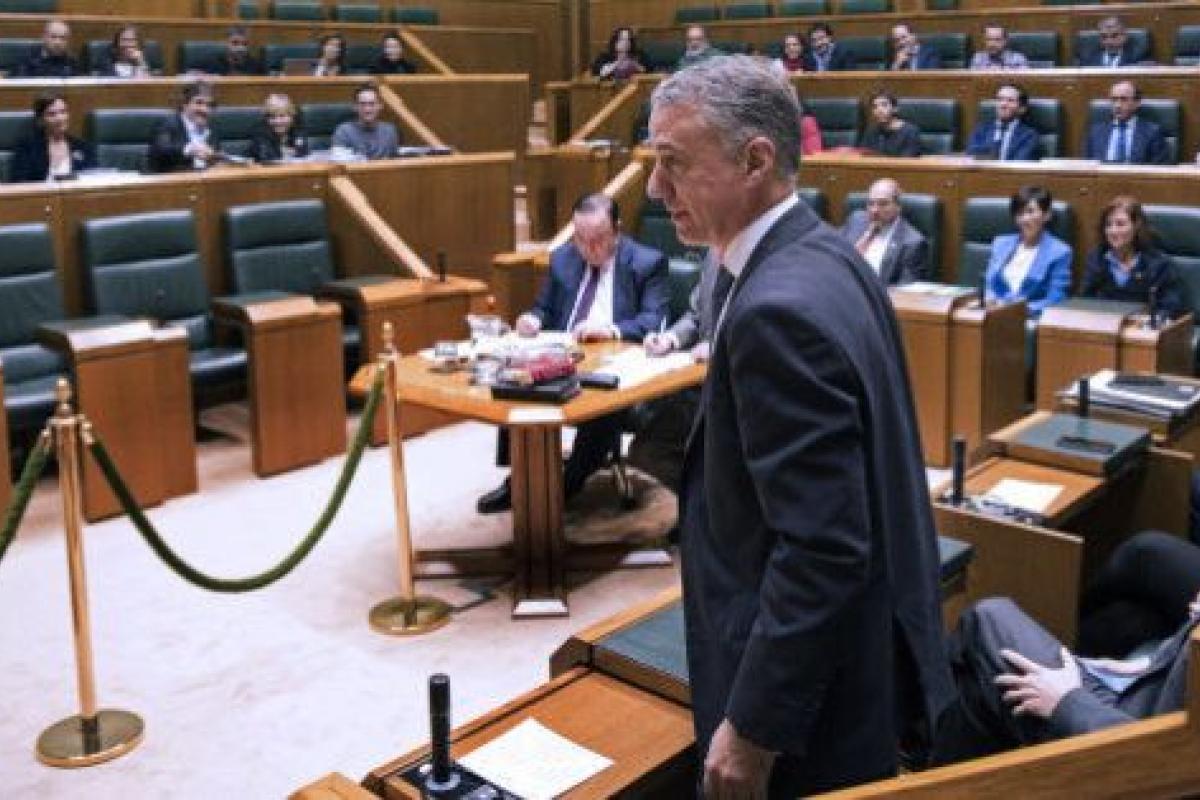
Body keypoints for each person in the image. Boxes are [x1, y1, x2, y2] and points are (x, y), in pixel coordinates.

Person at [646, 55, 953, 798]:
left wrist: (754, 727)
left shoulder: (776, 311)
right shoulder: (829, 255)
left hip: (811, 713)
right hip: (859, 659)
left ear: (755, 161)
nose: (655, 188)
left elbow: (823, 549)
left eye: (673, 163)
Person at [933, 531, 1200, 766]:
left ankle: (930, 772)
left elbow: (1159, 762)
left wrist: (1066, 702)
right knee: (1130, 616)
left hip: (1124, 735)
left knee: (988, 620)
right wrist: (1149, 664)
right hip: (1147, 697)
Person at [475, 194, 668, 514]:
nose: (589, 249)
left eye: (598, 240)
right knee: (515, 379)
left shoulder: (647, 263)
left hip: (616, 363)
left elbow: (653, 320)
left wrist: (610, 330)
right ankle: (519, 480)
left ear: (617, 230)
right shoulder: (563, 258)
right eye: (581, 239)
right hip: (563, 358)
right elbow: (544, 309)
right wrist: (532, 320)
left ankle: (567, 484)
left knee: (603, 400)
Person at [1079, 195, 1185, 319]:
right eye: (1108, 225)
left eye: (1120, 224)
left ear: (1136, 227)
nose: (1113, 231)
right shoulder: (1097, 259)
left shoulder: (1159, 264)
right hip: (1105, 325)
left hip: (1142, 328)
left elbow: (1169, 308)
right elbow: (1085, 302)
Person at [983, 186, 1072, 316]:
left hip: (1029, 317)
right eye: (1019, 213)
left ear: (1047, 215)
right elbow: (990, 283)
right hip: (993, 314)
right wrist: (989, 300)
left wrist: (1017, 311)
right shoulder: (1000, 243)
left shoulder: (1060, 252)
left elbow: (1056, 298)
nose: (1024, 219)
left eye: (1030, 212)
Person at [840, 178, 929, 285]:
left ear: (898, 206)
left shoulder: (912, 243)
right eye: (871, 203)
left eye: (883, 204)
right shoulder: (856, 220)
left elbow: (906, 289)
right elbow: (833, 252)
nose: (874, 210)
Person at [11, 92, 95, 183]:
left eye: (63, 112)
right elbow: (19, 182)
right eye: (52, 114)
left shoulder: (82, 146)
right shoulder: (27, 147)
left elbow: (93, 178)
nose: (60, 118)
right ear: (40, 120)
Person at [1084, 80, 1171, 165]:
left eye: (1123, 99)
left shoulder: (1152, 132)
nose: (1117, 105)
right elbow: (1086, 165)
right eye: (1114, 100)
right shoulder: (1096, 132)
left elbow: (1160, 168)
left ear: (1137, 103)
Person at [148, 82, 222, 174]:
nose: (205, 109)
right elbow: (162, 151)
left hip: (206, 179)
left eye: (209, 105)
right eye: (199, 103)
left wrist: (214, 157)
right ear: (185, 104)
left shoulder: (212, 127)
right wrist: (190, 149)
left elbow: (215, 156)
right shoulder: (166, 124)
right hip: (172, 179)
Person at [965, 83, 1041, 161]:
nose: (1003, 104)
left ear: (1022, 108)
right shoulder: (981, 131)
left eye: (1010, 100)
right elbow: (971, 158)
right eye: (1000, 99)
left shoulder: (1029, 136)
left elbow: (1020, 163)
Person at [331, 83, 400, 160]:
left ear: (380, 106)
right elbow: (340, 162)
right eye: (362, 104)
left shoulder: (390, 131)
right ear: (355, 107)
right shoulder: (344, 132)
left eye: (372, 104)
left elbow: (395, 161)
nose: (367, 109)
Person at [248, 93, 310, 164]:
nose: (277, 121)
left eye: (282, 116)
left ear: (291, 116)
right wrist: (288, 152)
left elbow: (303, 152)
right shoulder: (260, 132)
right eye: (272, 117)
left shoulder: (297, 128)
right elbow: (269, 158)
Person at [858, 91, 922, 157]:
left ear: (895, 108)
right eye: (875, 107)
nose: (879, 110)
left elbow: (908, 159)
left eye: (884, 105)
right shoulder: (871, 131)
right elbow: (863, 155)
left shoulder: (910, 132)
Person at [14, 19, 80, 78]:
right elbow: (19, 82)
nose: (58, 42)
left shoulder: (71, 61)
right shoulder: (28, 57)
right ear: (44, 37)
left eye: (63, 38)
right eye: (53, 37)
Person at [1077, 16, 1149, 68]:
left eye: (1114, 36)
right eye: (1104, 37)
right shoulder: (1088, 58)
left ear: (1125, 36)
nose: (1109, 41)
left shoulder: (1138, 56)